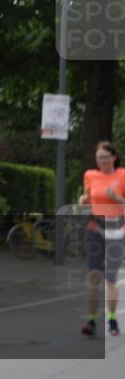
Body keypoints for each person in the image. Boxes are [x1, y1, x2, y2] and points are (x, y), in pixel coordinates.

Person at [78, 140, 125, 337]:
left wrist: (117, 198)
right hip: (95, 228)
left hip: (117, 229)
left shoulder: (122, 175)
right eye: (99, 158)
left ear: (114, 157)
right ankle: (91, 320)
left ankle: (112, 319)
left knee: (110, 278)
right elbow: (88, 198)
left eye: (106, 157)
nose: (102, 161)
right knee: (94, 275)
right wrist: (83, 200)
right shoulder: (90, 175)